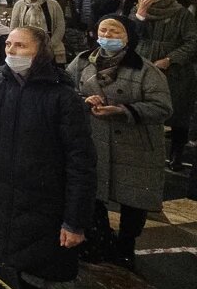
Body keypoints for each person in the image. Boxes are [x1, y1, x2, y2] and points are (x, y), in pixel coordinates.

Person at [0, 26, 96, 289]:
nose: (11, 51)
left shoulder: (62, 96)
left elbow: (80, 162)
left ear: (40, 52)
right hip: (5, 192)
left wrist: (74, 221)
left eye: (21, 46)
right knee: (6, 266)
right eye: (8, 45)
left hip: (45, 200)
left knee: (40, 275)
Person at [67, 15, 171, 271]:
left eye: (115, 32)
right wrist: (83, 100)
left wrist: (122, 110)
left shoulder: (146, 70)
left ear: (128, 37)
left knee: (133, 199)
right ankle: (100, 240)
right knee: (94, 193)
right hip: (94, 139)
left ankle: (126, 244)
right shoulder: (81, 62)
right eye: (104, 30)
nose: (108, 36)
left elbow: (162, 107)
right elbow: (65, 91)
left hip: (134, 146)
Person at [132, 0, 197, 171]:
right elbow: (132, 36)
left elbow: (192, 41)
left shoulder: (181, 13)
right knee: (145, 108)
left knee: (178, 111)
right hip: (144, 62)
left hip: (175, 69)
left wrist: (171, 59)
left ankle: (176, 154)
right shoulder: (137, 11)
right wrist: (140, 15)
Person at [10, 0, 65, 65]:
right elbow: (14, 26)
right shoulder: (19, 5)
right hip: (25, 46)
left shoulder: (53, 5)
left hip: (49, 46)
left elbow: (60, 26)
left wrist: (50, 44)